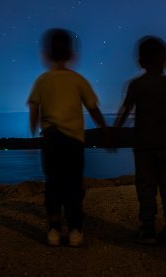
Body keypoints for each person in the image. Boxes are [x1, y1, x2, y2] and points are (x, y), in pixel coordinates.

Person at [28, 28, 109, 247]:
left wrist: (34, 131)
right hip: (74, 141)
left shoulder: (42, 80)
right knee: (74, 185)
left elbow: (34, 108)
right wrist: (105, 130)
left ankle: (54, 229)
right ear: (72, 55)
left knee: (53, 183)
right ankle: (75, 229)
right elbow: (93, 108)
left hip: (51, 139)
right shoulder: (78, 80)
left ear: (46, 55)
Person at [114, 36, 166, 244]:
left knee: (146, 186)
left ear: (141, 62)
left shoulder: (136, 85)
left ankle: (148, 229)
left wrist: (114, 133)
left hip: (144, 145)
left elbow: (126, 110)